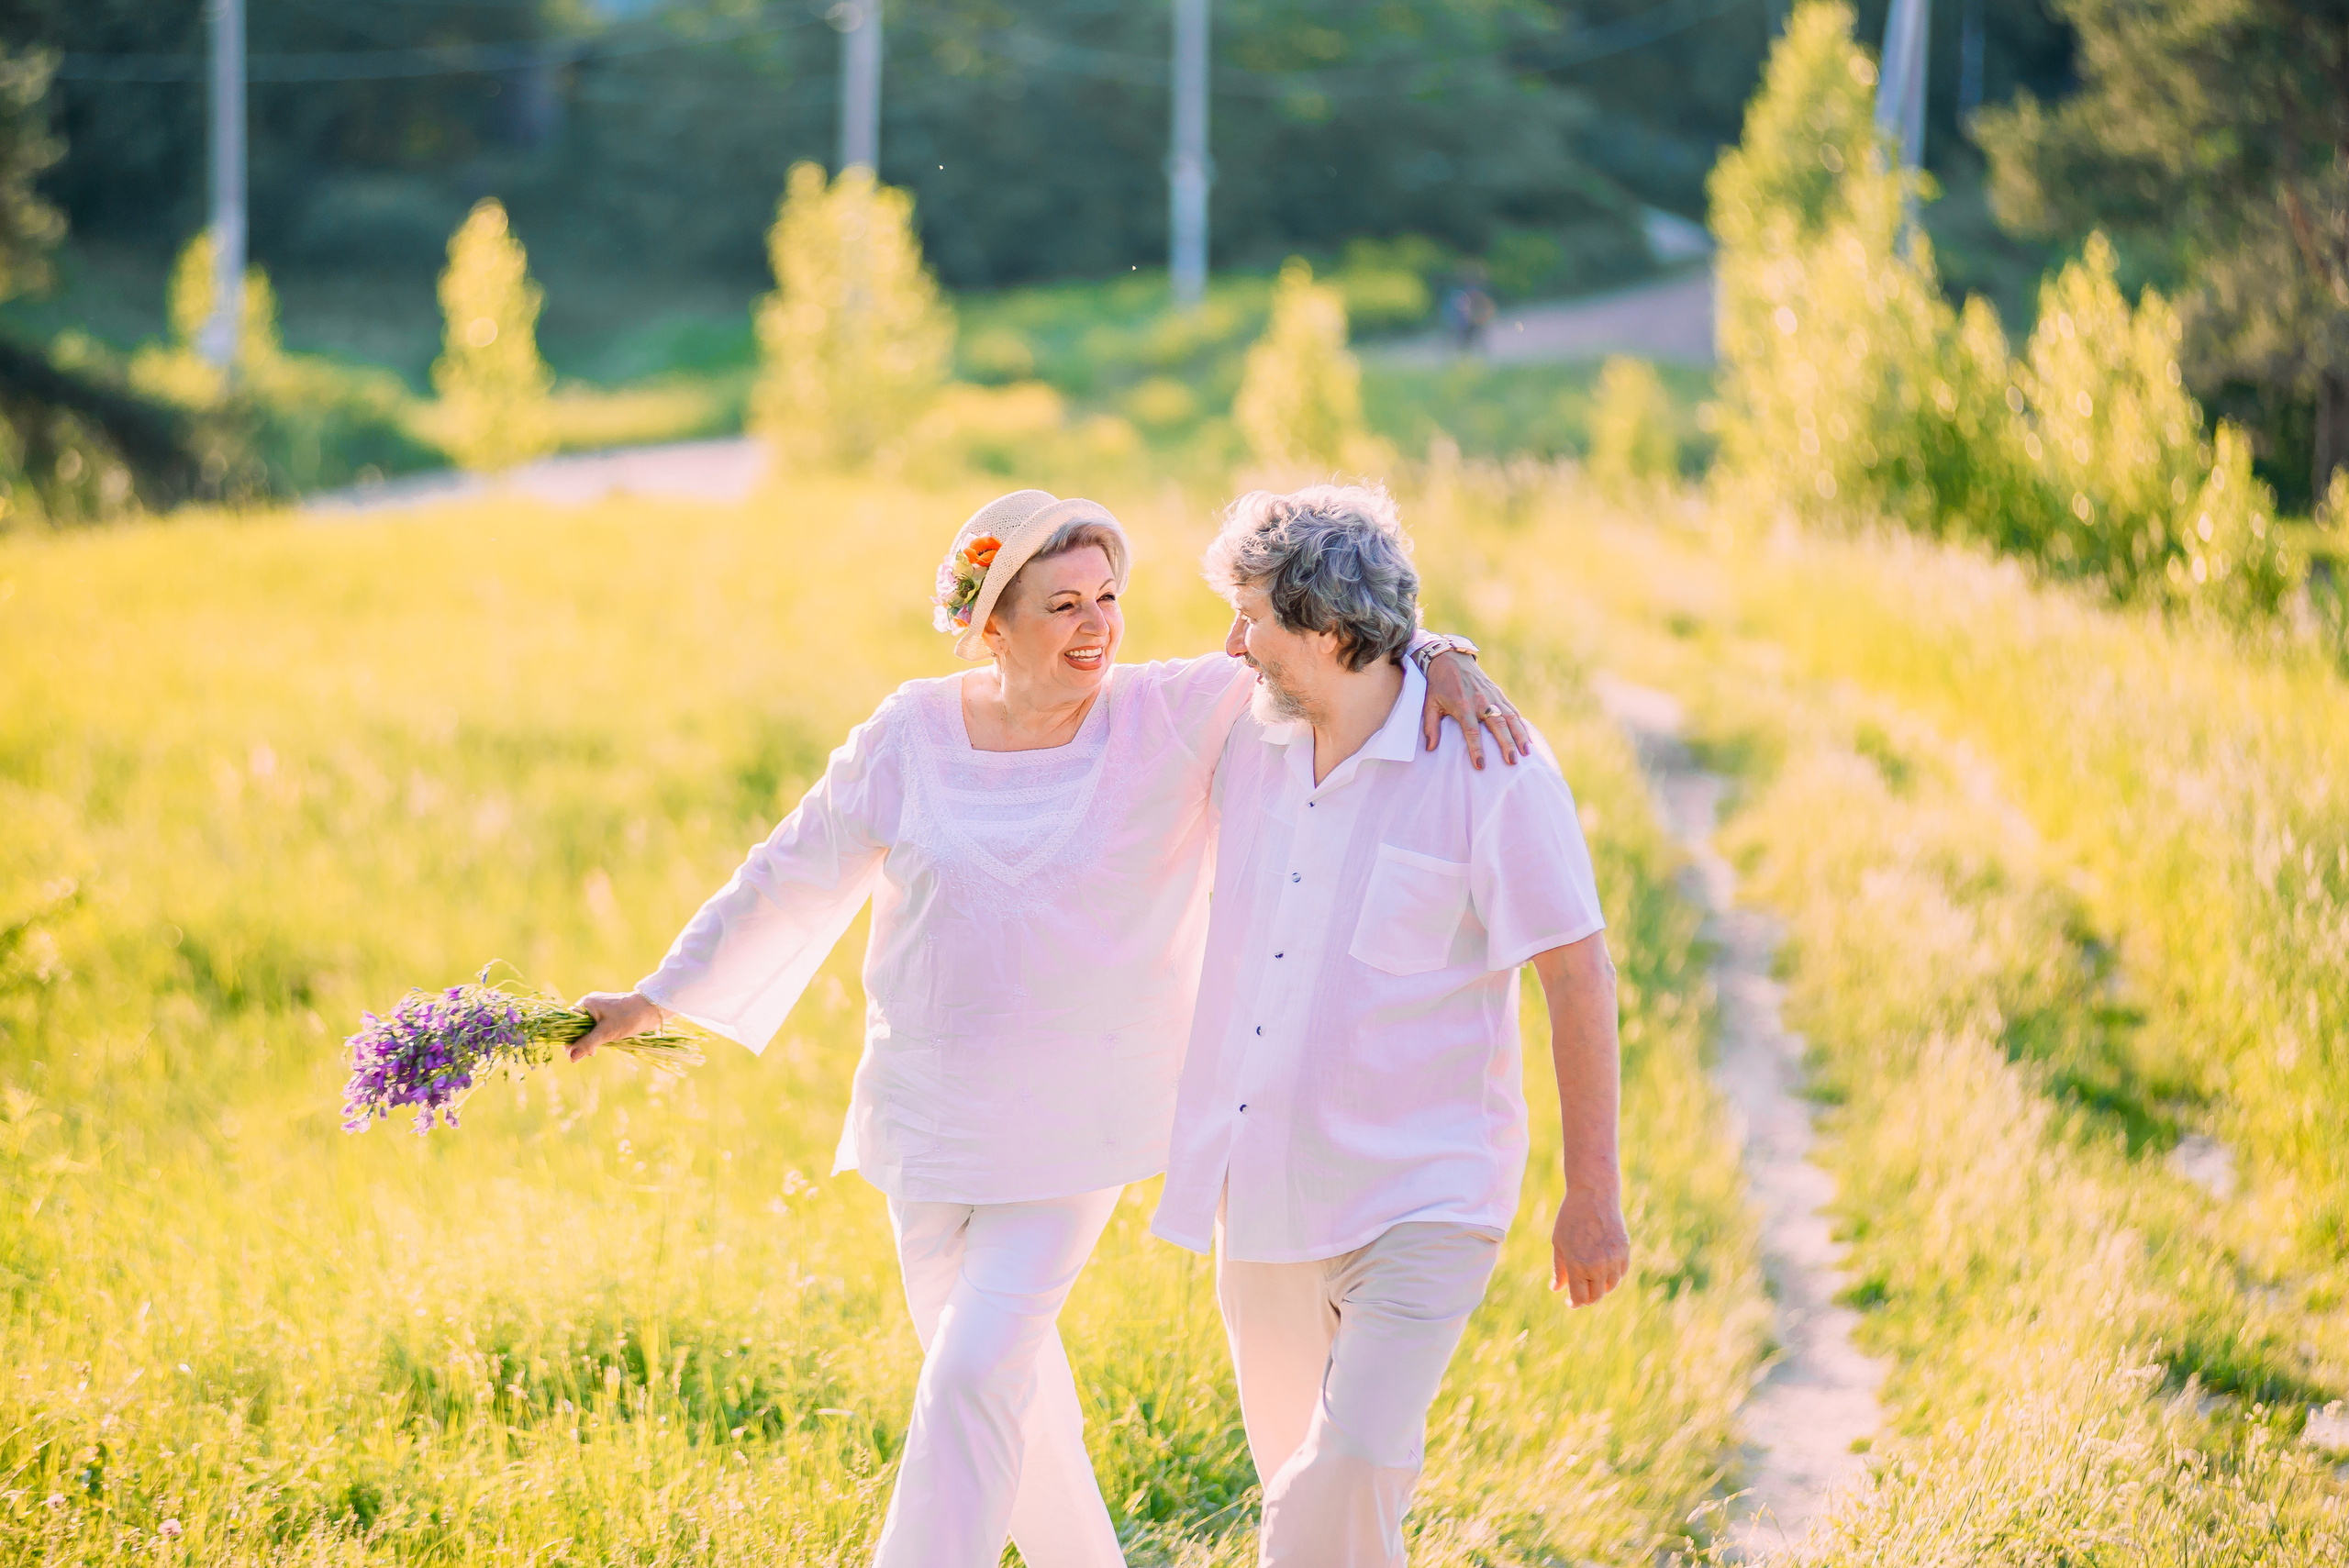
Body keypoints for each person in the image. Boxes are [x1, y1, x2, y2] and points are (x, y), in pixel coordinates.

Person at [564, 488, 1528, 1568]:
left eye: (1108, 597)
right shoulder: (910, 732)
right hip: (923, 1133)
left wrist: (1439, 648)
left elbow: (1331, 642)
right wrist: (654, 996)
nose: (1097, 625)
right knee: (1009, 1405)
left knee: (973, 1373)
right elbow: (784, 875)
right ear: (990, 621)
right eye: (1063, 603)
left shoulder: (1168, 712)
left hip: (1072, 1136)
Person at [1152, 483, 1631, 1566]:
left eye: (1254, 618)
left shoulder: (1489, 764)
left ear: (1326, 630)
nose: (1233, 644)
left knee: (1350, 1465)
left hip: (1424, 1195)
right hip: (1263, 1195)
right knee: (1317, 1501)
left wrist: (1592, 1193)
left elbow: (1578, 970)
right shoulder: (1243, 729)